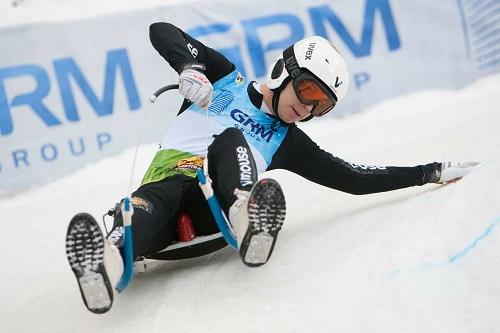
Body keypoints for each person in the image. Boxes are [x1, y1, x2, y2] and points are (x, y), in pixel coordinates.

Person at [65, 22, 478, 314]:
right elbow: (162, 30)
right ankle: (107, 261)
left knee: (229, 141)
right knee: (150, 201)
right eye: (309, 90)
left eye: (322, 106)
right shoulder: (224, 77)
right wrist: (190, 69)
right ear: (285, 71)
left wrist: (431, 171)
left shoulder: (289, 141)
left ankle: (249, 219)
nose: (308, 108)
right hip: (163, 199)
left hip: (218, 210)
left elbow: (352, 177)